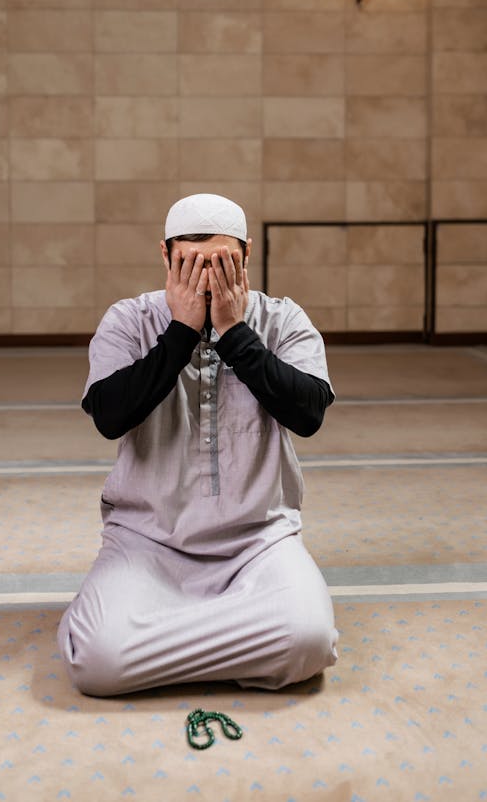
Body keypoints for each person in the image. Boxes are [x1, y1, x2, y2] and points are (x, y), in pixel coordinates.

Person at [58, 193, 339, 696]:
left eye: (224, 263)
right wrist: (180, 333)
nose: (207, 280)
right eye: (190, 264)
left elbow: (308, 413)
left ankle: (158, 644)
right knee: (97, 662)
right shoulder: (128, 321)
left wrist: (235, 333)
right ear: (165, 257)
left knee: (311, 642)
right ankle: (237, 640)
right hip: (147, 541)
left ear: (248, 256)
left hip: (259, 542)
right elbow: (109, 415)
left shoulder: (283, 320)